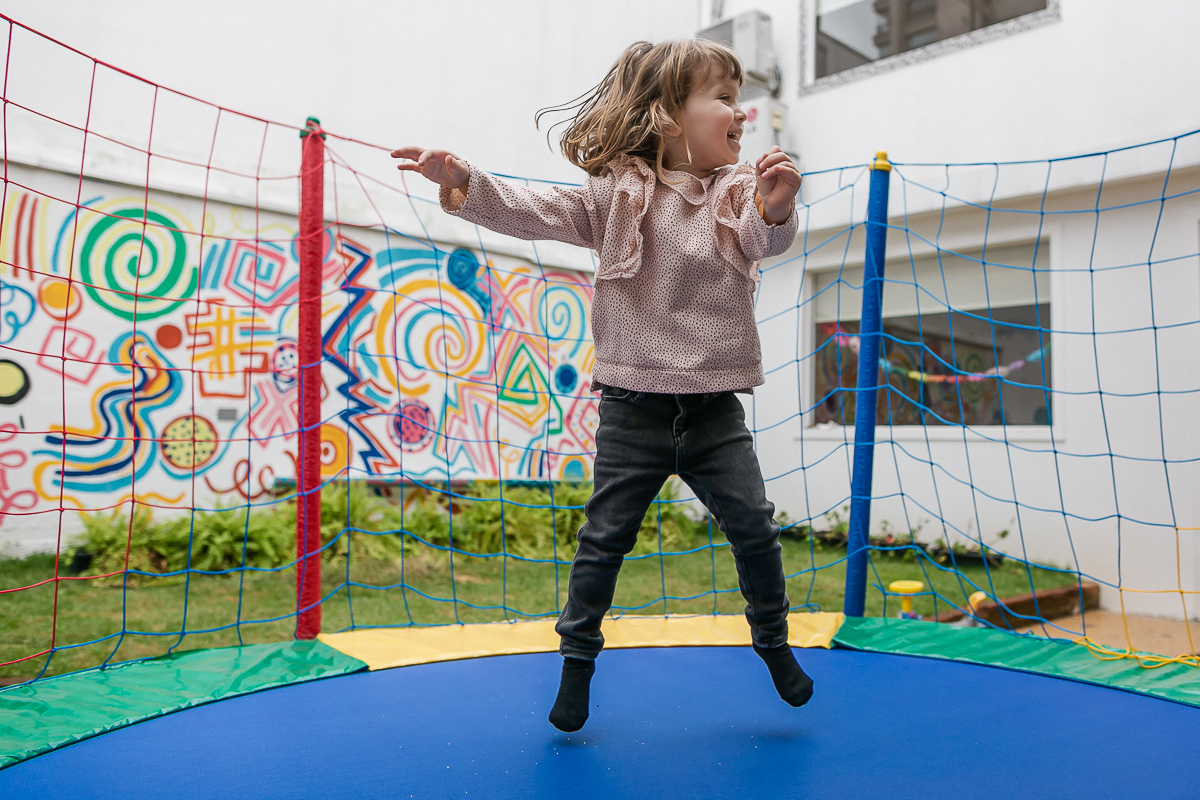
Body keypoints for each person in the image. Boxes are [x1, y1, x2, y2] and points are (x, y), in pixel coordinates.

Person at [392, 38, 811, 733]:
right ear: (670, 117)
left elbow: (762, 238)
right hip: (633, 410)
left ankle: (773, 644)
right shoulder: (618, 195)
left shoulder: (737, 192)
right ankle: (577, 666)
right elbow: (538, 210)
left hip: (713, 413)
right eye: (725, 99)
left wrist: (776, 206)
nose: (741, 114)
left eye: (738, 100)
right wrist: (465, 182)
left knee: (754, 531)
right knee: (603, 539)